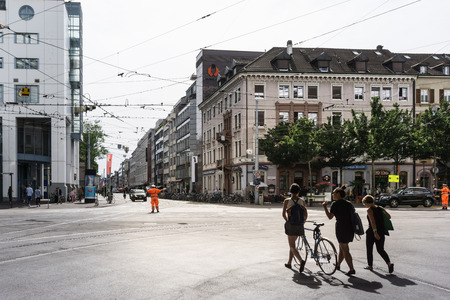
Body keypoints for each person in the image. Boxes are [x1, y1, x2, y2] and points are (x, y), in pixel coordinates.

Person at [322, 185, 356, 275]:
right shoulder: (349, 203)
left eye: (333, 193)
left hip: (341, 228)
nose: (332, 194)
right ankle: (338, 265)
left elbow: (330, 217)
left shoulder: (335, 204)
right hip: (350, 228)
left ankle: (352, 269)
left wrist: (325, 207)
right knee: (341, 247)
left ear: (337, 194)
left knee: (345, 249)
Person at [362, 195, 394, 273]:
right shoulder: (380, 208)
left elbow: (372, 222)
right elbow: (389, 216)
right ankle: (389, 263)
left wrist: (375, 232)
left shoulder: (370, 210)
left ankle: (370, 266)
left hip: (372, 232)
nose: (365, 205)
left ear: (367, 203)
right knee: (380, 249)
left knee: (369, 249)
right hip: (381, 231)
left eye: (365, 204)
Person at [282, 183, 308, 273]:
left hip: (291, 225)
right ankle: (289, 262)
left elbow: (283, 214)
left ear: (290, 191)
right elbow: (305, 214)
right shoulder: (302, 201)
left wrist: (288, 221)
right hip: (300, 225)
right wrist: (302, 222)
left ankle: (301, 261)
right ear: (298, 191)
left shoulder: (287, 201)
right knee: (292, 245)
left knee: (292, 246)